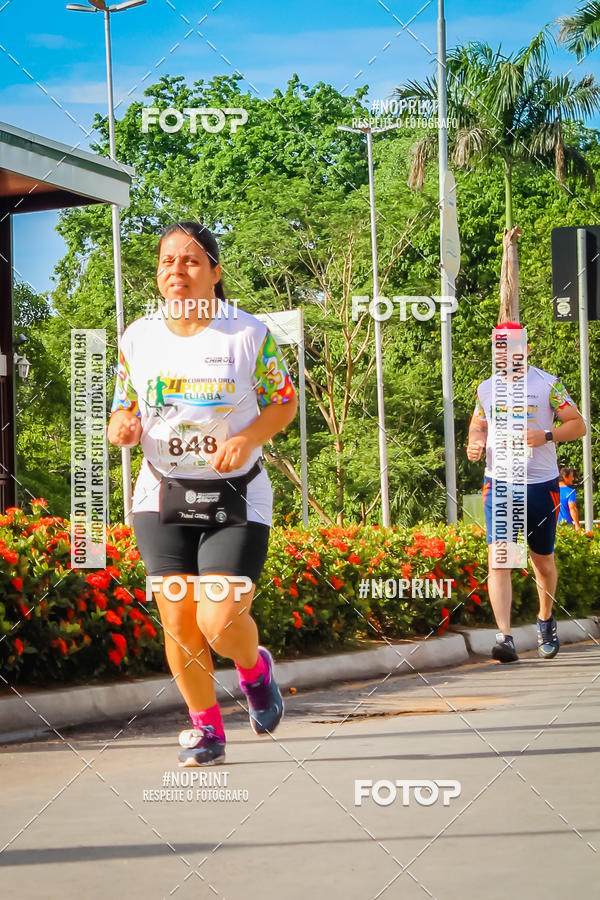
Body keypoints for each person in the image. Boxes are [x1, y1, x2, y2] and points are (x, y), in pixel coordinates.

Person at [107, 221, 298, 765]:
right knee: (178, 618)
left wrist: (246, 438)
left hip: (234, 496)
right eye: (167, 261)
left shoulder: (247, 335)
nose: (177, 271)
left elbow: (284, 403)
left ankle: (254, 668)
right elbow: (126, 407)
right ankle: (207, 728)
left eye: (190, 261)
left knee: (218, 620)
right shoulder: (138, 337)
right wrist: (120, 424)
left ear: (215, 271)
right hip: (161, 494)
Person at [466, 322, 586, 663]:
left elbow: (578, 425)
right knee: (501, 558)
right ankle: (505, 637)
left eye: (512, 348)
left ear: (525, 350)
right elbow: (479, 423)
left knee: (542, 561)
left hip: (541, 484)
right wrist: (475, 441)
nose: (505, 355)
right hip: (500, 481)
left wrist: (546, 435)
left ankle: (545, 619)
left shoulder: (548, 385)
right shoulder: (486, 389)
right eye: (499, 349)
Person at [558, 467, 581, 531]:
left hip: (553, 527)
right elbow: (572, 508)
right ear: (565, 477)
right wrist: (577, 525)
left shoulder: (552, 490)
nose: (573, 479)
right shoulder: (570, 491)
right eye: (571, 476)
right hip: (566, 527)